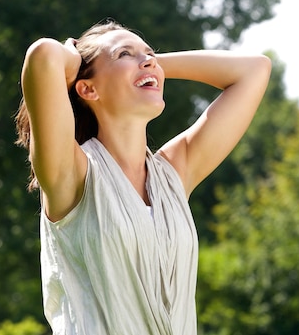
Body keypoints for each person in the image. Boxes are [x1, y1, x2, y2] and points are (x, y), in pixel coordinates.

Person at [15, 20, 271, 334]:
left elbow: (255, 70)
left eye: (149, 53)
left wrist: (150, 67)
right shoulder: (73, 173)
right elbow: (43, 56)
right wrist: (77, 60)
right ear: (88, 88)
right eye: (124, 53)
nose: (146, 58)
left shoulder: (173, 173)